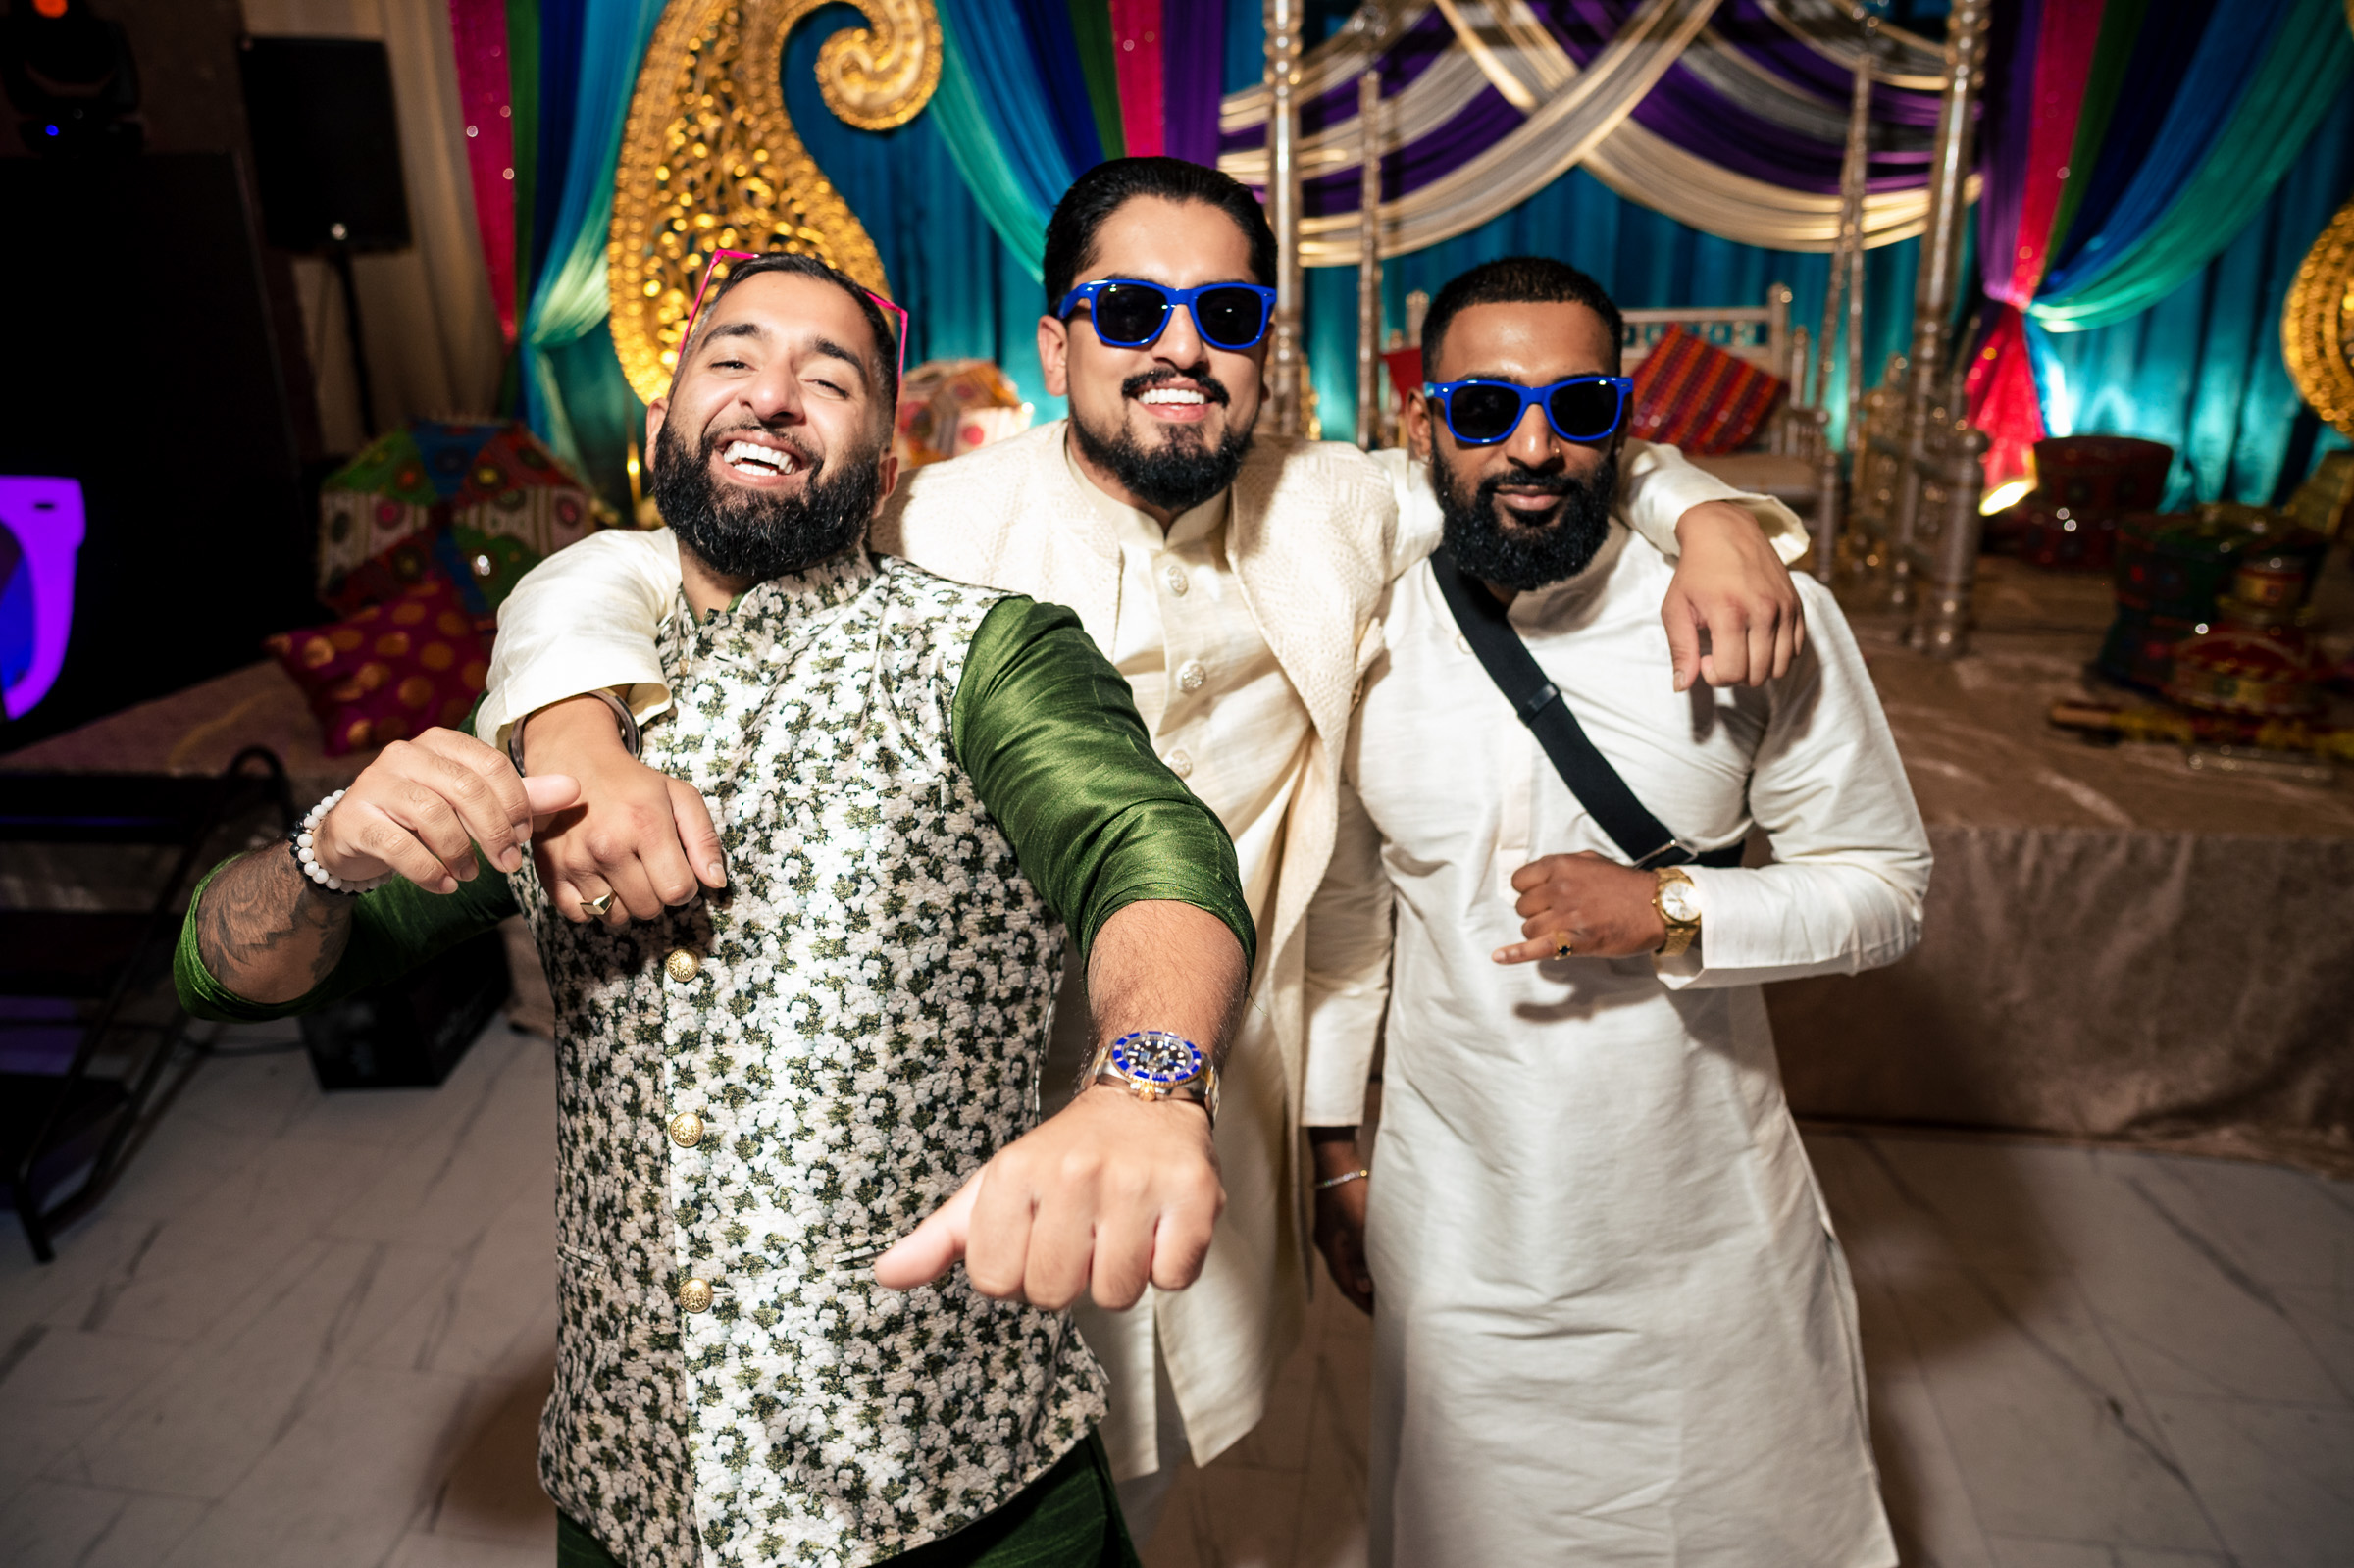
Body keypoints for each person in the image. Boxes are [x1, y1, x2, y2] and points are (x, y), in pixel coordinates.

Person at [467, 158, 1813, 1537]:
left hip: (1194, 1100)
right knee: (949, 1477)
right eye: (1131, 308)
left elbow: (1538, 447)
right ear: (1059, 346)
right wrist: (569, 719)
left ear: (1265, 352)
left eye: (1225, 314)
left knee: (1152, 1474)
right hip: (946, 1130)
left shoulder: (1337, 504)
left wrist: (1708, 516)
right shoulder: (934, 517)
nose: (1182, 346)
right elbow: (635, 559)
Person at [175, 251, 1260, 1568]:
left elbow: (1151, 848)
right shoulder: (553, 705)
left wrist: (1147, 1078)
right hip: (632, 1489)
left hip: (961, 1490)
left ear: (889, 456)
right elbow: (228, 971)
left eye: (831, 376)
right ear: (660, 426)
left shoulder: (984, 654)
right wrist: (328, 850)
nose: (774, 395)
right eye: (732, 358)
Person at [1302, 256, 1931, 1567]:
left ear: (1626, 425)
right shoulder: (1366, 615)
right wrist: (1334, 1156)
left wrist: (1674, 908)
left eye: (1576, 407)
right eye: (1482, 409)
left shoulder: (1760, 611)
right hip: (1460, 1214)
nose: (1531, 448)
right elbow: (1353, 923)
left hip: (1699, 1220)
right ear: (1419, 423)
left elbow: (1885, 889)